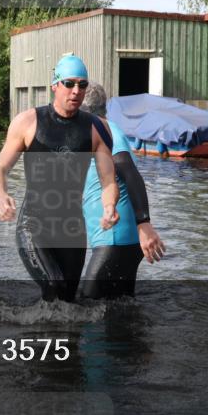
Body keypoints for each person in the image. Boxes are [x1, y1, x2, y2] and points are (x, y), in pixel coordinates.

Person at [0, 55, 119, 303]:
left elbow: (109, 181)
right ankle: (38, 340)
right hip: (34, 225)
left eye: (83, 85)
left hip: (72, 229)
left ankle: (62, 341)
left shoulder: (97, 128)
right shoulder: (28, 122)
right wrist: (1, 196)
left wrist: (109, 206)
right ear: (55, 85)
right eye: (69, 83)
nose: (76, 91)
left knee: (68, 303)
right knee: (53, 285)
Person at [79, 83, 165, 299]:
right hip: (117, 238)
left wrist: (144, 223)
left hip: (116, 239)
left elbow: (129, 172)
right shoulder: (96, 133)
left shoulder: (105, 131)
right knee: (119, 308)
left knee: (89, 303)